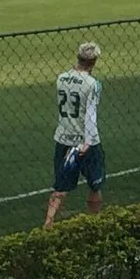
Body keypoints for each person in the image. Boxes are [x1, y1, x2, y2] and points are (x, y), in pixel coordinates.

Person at [44, 41, 106, 229]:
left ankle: (48, 223)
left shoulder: (61, 78)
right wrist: (87, 141)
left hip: (64, 137)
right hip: (87, 141)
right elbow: (90, 113)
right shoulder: (93, 84)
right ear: (94, 61)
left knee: (60, 187)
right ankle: (93, 223)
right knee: (95, 184)